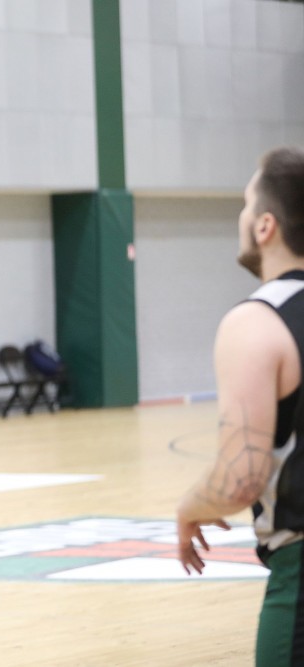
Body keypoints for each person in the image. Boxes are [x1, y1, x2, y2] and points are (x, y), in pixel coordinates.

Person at [176, 147, 304, 667]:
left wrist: (189, 508)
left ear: (265, 226)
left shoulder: (257, 322)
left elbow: (240, 481)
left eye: (247, 204)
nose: (242, 216)